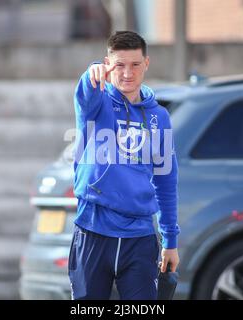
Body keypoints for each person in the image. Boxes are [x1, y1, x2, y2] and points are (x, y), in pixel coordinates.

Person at [69, 30, 180, 300]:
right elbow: (85, 94)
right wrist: (92, 72)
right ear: (108, 66)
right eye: (119, 65)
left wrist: (170, 242)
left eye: (135, 65)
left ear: (146, 64)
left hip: (140, 237)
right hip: (92, 230)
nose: (127, 73)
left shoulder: (159, 117)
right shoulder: (96, 103)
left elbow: (165, 182)